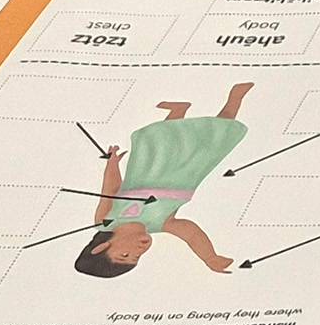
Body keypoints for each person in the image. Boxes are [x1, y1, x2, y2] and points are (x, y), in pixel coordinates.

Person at [78, 87, 252, 277]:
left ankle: (178, 112)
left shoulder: (105, 221)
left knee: (163, 141)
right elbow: (191, 233)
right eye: (136, 258)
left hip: (150, 166)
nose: (138, 252)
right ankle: (235, 98)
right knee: (215, 140)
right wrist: (209, 257)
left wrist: (112, 165)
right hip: (187, 170)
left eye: (125, 254)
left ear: (101, 247)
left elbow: (109, 190)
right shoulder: (160, 224)